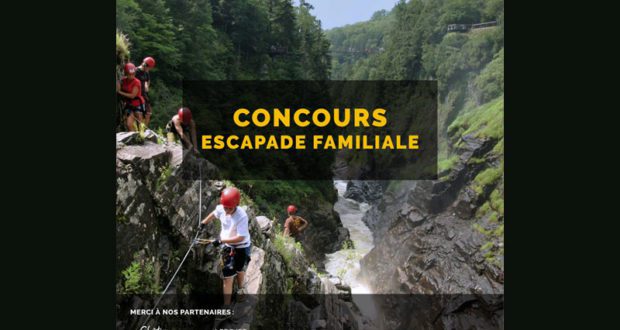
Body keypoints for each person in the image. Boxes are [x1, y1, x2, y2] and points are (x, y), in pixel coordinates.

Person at [200, 187, 252, 309]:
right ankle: (226, 306)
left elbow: (240, 237)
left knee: (239, 269)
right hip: (228, 246)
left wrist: (221, 240)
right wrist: (203, 223)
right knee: (227, 277)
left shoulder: (242, 216)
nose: (227, 210)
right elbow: (214, 214)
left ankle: (241, 289)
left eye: (230, 208)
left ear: (237, 205)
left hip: (241, 247)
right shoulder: (222, 208)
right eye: (225, 207)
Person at [117, 62, 145, 132]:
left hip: (138, 104)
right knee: (129, 124)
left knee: (139, 123)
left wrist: (120, 92)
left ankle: (141, 136)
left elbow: (132, 96)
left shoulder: (137, 82)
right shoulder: (123, 80)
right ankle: (134, 137)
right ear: (126, 74)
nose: (132, 76)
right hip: (129, 104)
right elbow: (118, 86)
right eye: (130, 75)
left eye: (133, 74)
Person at [135, 57, 155, 127]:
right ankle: (140, 131)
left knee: (148, 113)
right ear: (145, 65)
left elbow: (148, 80)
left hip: (144, 94)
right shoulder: (136, 71)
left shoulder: (146, 72)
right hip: (137, 95)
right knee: (139, 114)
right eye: (149, 68)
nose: (149, 69)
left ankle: (144, 129)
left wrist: (147, 86)